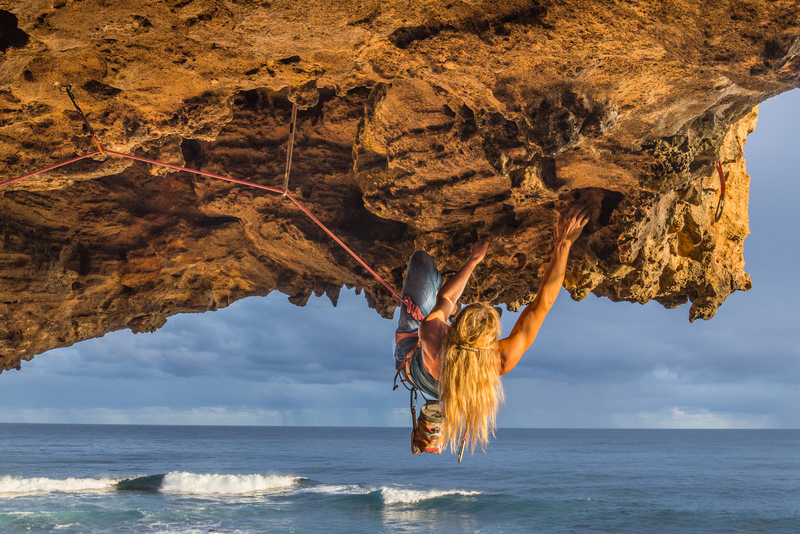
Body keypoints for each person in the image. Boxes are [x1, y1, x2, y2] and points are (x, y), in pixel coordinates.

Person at [394, 203, 590, 453]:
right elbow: (542, 304)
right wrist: (563, 244)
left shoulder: (433, 333)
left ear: (453, 327)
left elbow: (447, 298)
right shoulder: (497, 360)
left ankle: (442, 310)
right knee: (437, 304)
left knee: (421, 262)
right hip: (437, 378)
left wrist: (473, 261)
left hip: (412, 357)